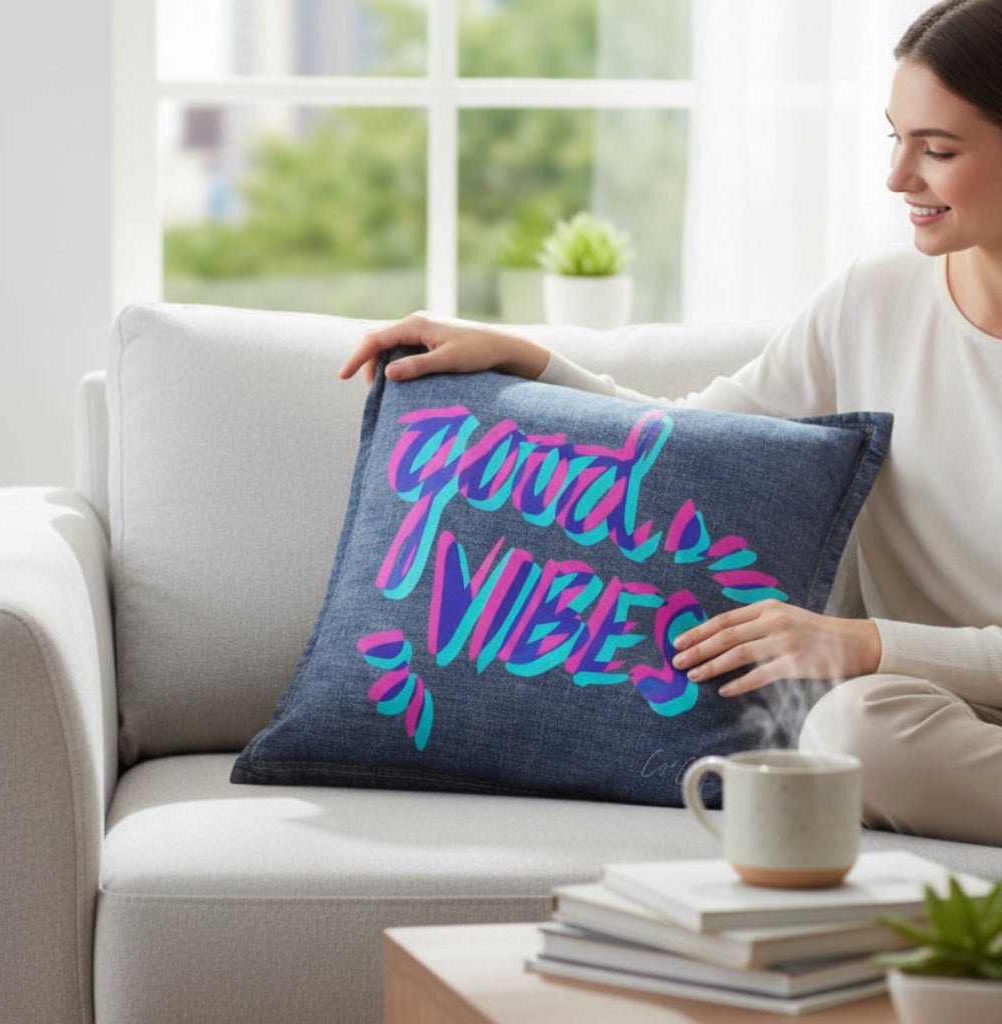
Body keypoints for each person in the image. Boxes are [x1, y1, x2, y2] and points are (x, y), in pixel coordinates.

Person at [340, 0, 1002, 846]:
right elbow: (688, 445)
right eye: (894, 138)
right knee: (852, 731)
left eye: (937, 149)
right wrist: (528, 360)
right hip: (931, 714)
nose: (898, 177)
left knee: (855, 715)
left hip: (918, 683)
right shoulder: (869, 302)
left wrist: (867, 641)